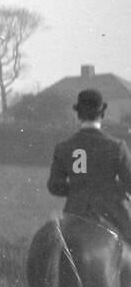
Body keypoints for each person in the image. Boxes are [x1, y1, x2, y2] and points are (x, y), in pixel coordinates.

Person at [47, 88, 131, 240]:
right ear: (102, 114)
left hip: (75, 211)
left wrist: (78, 188)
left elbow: (54, 186)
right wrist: (112, 187)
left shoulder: (63, 147)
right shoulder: (117, 146)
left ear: (78, 115)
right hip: (110, 212)